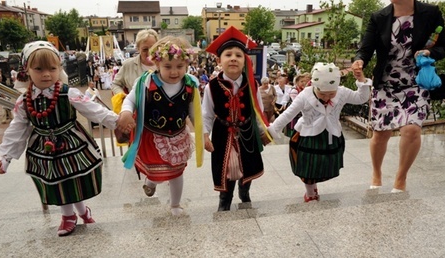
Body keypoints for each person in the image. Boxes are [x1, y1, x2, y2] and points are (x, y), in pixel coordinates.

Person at [0, 41, 119, 236]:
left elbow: (94, 111)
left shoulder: (68, 93)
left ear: (59, 68)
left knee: (72, 179)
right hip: (43, 147)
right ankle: (68, 216)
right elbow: (17, 129)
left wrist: (119, 123)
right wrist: (6, 157)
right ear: (27, 70)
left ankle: (82, 211)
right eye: (39, 69)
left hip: (71, 143)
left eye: (52, 68)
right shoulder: (25, 100)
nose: (46, 74)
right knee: (57, 181)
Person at [352, 0, 445, 192]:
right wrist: (359, 61)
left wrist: (430, 51)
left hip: (416, 81)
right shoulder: (379, 17)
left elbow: (443, 47)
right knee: (380, 134)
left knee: (411, 130)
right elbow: (366, 48)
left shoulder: (429, 13)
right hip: (386, 84)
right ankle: (377, 173)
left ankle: (400, 178)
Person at [116, 36, 204, 216]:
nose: (174, 72)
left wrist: (203, 135)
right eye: (168, 67)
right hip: (152, 135)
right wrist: (125, 112)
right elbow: (131, 99)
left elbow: (194, 113)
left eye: (179, 67)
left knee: (176, 172)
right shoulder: (146, 82)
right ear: (157, 64)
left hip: (178, 136)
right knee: (155, 167)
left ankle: (175, 205)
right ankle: (151, 183)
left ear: (186, 64)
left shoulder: (190, 85)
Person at [267, 62, 372, 202]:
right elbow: (288, 114)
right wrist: (271, 131)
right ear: (315, 86)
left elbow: (361, 98)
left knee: (324, 166)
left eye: (331, 94)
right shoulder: (305, 95)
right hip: (307, 137)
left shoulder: (342, 92)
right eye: (323, 94)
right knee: (308, 167)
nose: (327, 97)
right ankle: (310, 193)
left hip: (331, 135)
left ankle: (313, 188)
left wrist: (361, 80)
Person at [202, 26, 272, 211]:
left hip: (247, 132)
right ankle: (224, 200)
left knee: (247, 165)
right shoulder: (212, 87)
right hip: (222, 133)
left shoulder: (252, 84)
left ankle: (244, 190)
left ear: (245, 61)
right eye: (228, 55)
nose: (233, 58)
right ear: (219, 60)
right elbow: (207, 114)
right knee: (225, 169)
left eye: (238, 55)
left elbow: (258, 110)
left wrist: (263, 132)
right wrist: (204, 135)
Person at [111, 29, 158, 95]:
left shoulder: (166, 64)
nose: (149, 53)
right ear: (138, 49)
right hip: (135, 105)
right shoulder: (128, 65)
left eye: (152, 48)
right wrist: (123, 96)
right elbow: (115, 84)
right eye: (145, 49)